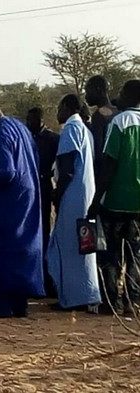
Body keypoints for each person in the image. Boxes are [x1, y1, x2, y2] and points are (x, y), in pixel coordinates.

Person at [0, 90, 44, 318]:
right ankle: (20, 303)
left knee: (3, 247)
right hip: (28, 194)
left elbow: (4, 171)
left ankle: (3, 304)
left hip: (8, 200)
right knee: (24, 248)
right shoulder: (18, 126)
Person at [89, 79, 140, 315]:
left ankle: (112, 302)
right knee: (135, 254)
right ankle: (133, 301)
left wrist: (96, 199)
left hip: (116, 200)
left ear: (130, 95)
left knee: (111, 254)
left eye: (121, 92)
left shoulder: (119, 122)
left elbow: (109, 163)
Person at [47, 94, 101, 311]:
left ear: (67, 108)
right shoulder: (85, 131)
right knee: (84, 247)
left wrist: (57, 195)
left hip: (72, 196)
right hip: (86, 196)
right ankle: (87, 294)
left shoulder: (71, 129)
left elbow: (67, 169)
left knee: (68, 246)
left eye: (59, 107)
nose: (57, 113)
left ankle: (71, 298)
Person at [26, 107, 59, 296]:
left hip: (45, 186)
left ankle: (47, 279)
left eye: (34, 119)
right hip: (30, 187)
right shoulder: (27, 137)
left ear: (41, 119)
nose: (31, 123)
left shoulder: (53, 139)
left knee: (45, 230)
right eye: (28, 120)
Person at [85, 75, 119, 175]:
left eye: (88, 91)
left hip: (104, 171)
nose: (86, 96)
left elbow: (98, 152)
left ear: (98, 90)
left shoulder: (99, 116)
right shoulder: (118, 111)